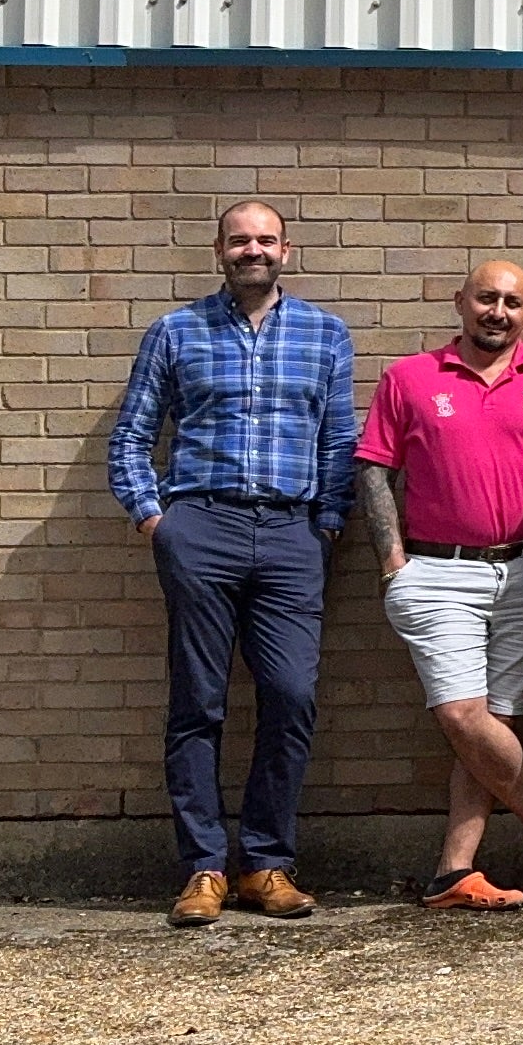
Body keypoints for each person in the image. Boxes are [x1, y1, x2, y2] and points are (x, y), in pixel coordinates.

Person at [109, 201, 358, 927]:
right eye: (240, 239)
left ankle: (267, 864)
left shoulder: (325, 333)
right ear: (219, 249)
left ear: (287, 249)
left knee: (291, 695)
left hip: (292, 534)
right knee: (199, 700)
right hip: (201, 526)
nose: (254, 250)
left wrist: (330, 523)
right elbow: (132, 435)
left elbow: (339, 439)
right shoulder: (175, 332)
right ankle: (204, 869)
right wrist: (157, 520)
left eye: (266, 239)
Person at [355, 259, 523, 909]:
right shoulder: (410, 378)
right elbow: (373, 468)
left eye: (513, 302)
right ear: (460, 301)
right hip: (436, 570)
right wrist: (392, 561)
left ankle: (454, 871)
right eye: (487, 298)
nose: (499, 311)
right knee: (462, 713)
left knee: (494, 722)